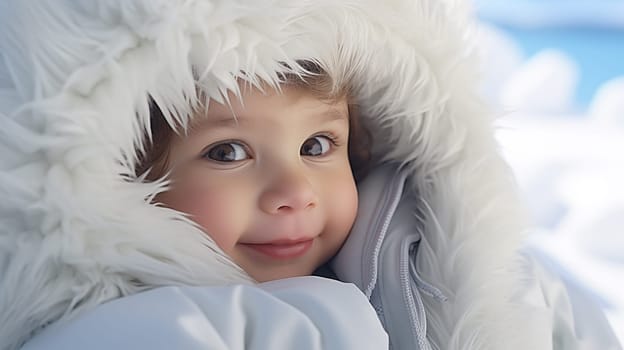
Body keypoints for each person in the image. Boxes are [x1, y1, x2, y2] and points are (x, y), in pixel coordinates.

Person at [0, 0, 621, 349]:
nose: (294, 192)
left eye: (318, 144)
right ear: (121, 176)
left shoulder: (470, 272)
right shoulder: (148, 333)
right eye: (228, 153)